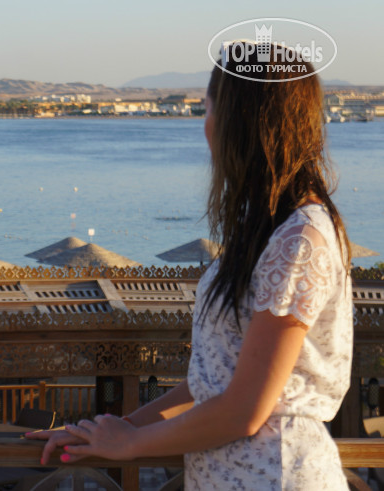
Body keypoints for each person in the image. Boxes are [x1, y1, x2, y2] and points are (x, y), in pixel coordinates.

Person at [28, 41, 353, 489]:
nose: (206, 125)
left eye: (208, 108)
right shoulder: (269, 230)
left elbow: (244, 410)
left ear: (238, 121)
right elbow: (213, 384)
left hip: (275, 474)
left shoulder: (300, 238)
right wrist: (114, 430)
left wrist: (131, 443)